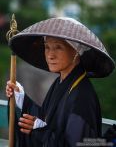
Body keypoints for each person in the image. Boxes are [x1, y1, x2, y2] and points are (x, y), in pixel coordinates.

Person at [6, 17, 115, 147]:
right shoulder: (61, 81)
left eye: (58, 47)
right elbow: (47, 117)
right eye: (47, 47)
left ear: (76, 52)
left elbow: (80, 143)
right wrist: (21, 98)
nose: (50, 55)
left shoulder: (82, 97)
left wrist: (41, 131)